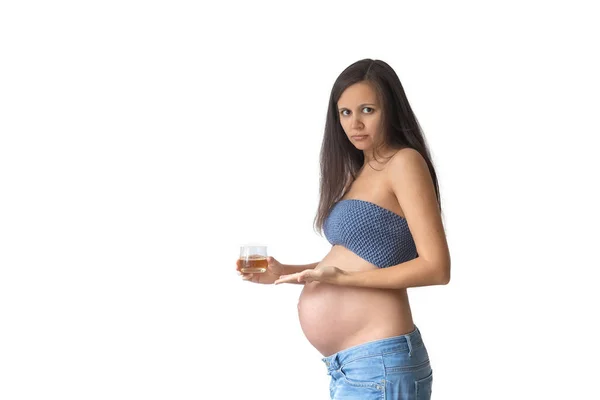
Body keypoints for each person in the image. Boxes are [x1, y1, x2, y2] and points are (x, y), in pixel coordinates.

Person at [236, 58, 451, 400]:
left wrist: (344, 280)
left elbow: (436, 268)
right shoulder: (359, 173)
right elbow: (356, 258)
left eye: (368, 109)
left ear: (391, 110)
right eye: (345, 113)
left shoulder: (403, 163)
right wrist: (285, 271)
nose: (356, 123)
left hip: (380, 362)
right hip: (351, 367)